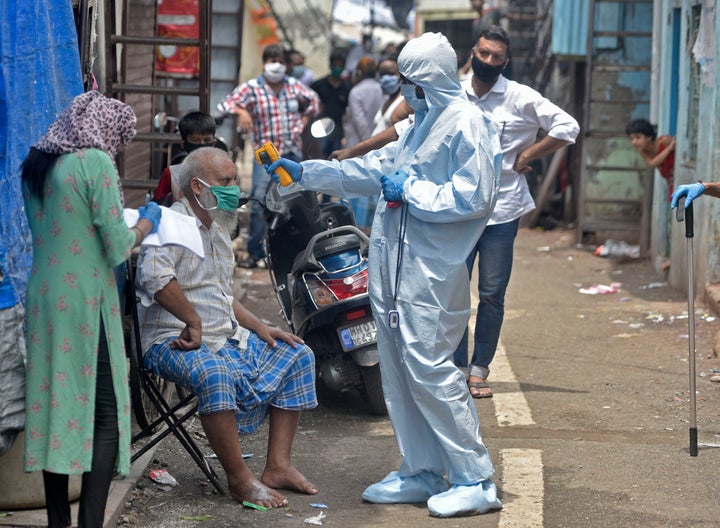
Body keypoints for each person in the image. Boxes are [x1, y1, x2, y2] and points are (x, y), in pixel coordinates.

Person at [266, 32, 504, 518]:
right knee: (398, 373)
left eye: (409, 81)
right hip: (394, 270)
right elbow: (375, 169)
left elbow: (473, 198)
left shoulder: (468, 125)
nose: (404, 90)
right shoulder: (420, 124)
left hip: (431, 272)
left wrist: (410, 191)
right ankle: (421, 470)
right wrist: (307, 172)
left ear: (430, 79)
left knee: (433, 372)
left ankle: (474, 477)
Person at [330, 26, 580, 399]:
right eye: (483, 53)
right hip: (453, 212)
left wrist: (527, 155)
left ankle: (479, 370)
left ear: (505, 62)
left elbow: (568, 126)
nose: (489, 61)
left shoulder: (519, 97)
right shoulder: (450, 91)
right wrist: (354, 151)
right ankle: (455, 366)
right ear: (472, 54)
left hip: (500, 212)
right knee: (451, 290)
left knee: (492, 293)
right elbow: (404, 126)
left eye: (497, 57)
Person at [135, 147, 318, 509]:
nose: (235, 188)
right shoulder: (169, 223)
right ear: (199, 187)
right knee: (215, 372)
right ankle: (239, 480)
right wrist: (193, 319)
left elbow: (223, 295)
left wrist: (261, 327)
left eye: (234, 179)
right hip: (172, 340)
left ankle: (277, 466)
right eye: (226, 181)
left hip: (221, 336)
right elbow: (155, 277)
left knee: (298, 353)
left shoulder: (218, 226)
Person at [20, 90, 162, 528]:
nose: (115, 151)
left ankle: (60, 522)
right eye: (118, 141)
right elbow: (117, 246)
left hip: (44, 299)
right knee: (104, 412)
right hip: (85, 301)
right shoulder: (93, 163)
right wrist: (146, 223)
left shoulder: (37, 166)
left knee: (52, 407)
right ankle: (90, 523)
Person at [218, 43, 319, 269]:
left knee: (296, 200)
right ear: (264, 63)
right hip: (266, 155)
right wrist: (242, 112)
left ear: (287, 65)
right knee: (260, 200)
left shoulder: (294, 86)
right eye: (272, 61)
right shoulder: (252, 87)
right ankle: (256, 251)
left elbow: (314, 102)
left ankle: (295, 251)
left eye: (281, 62)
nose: (276, 66)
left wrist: (303, 121)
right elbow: (225, 104)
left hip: (291, 150)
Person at [152, 111, 227, 205]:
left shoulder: (223, 172)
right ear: (183, 144)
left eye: (207, 140)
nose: (202, 145)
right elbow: (156, 203)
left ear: (214, 143)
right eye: (195, 140)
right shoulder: (172, 173)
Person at [310, 51, 351, 159]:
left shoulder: (347, 88)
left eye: (340, 66)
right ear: (330, 65)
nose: (337, 68)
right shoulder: (318, 85)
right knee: (319, 158)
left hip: (338, 130)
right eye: (335, 65)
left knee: (335, 159)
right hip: (320, 128)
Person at [626, 118, 676, 200]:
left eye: (637, 138)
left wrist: (670, 147)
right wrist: (669, 149)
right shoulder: (643, 151)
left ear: (649, 137)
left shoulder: (664, 141)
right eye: (631, 139)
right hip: (672, 183)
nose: (634, 142)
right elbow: (652, 163)